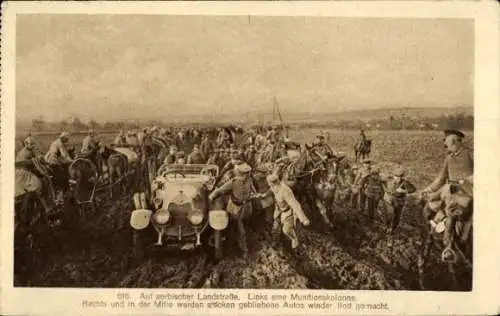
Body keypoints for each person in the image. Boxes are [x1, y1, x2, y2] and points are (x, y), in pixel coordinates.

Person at [420, 129, 473, 259]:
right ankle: (431, 236)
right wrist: (428, 189)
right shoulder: (449, 157)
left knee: (451, 213)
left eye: (446, 141)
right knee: (427, 206)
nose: (445, 144)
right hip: (448, 190)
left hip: (466, 193)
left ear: (454, 141)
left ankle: (449, 248)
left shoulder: (469, 154)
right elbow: (441, 178)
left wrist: (465, 181)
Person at [209, 162, 256, 257]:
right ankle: (244, 250)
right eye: (246, 173)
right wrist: (211, 198)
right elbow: (219, 190)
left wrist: (254, 194)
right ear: (241, 173)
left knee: (241, 225)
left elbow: (252, 190)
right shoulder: (233, 182)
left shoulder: (249, 180)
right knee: (241, 230)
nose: (247, 175)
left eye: (248, 173)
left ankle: (234, 239)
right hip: (235, 208)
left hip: (245, 207)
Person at [266, 173, 310, 249]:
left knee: (286, 230)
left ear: (276, 183)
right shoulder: (274, 187)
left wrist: (304, 219)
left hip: (288, 213)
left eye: (271, 185)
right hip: (278, 211)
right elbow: (271, 191)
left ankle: (295, 240)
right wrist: (262, 195)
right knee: (275, 228)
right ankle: (276, 243)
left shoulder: (286, 191)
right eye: (270, 185)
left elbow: (295, 205)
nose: (271, 187)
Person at [382, 166, 416, 236]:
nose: (397, 178)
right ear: (393, 175)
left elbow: (413, 189)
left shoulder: (405, 183)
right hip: (388, 199)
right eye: (396, 176)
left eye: (399, 177)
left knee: (397, 216)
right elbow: (380, 181)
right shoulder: (388, 180)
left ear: (402, 177)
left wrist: (403, 191)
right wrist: (384, 190)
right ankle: (387, 226)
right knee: (389, 213)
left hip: (398, 201)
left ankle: (393, 229)